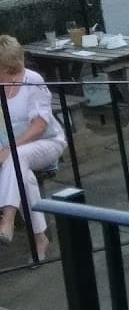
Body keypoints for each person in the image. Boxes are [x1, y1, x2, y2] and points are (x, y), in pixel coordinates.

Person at [0, 35, 67, 260]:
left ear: (8, 66)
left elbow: (40, 125)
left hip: (47, 142)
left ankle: (7, 219)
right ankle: (40, 238)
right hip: (14, 152)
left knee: (15, 158)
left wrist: (9, 148)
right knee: (24, 177)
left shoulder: (32, 80)